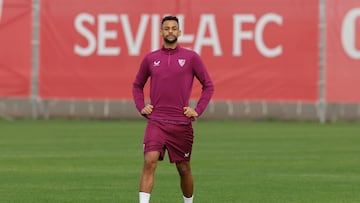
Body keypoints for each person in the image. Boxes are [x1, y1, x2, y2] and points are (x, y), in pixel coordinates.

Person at [132, 15, 214, 203]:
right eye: (166, 28)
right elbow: (137, 85)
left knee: (183, 168)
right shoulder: (151, 59)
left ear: (179, 32)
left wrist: (197, 110)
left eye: (173, 28)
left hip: (181, 123)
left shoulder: (191, 58)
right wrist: (141, 106)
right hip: (157, 121)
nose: (170, 31)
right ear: (161, 32)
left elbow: (208, 85)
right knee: (149, 161)